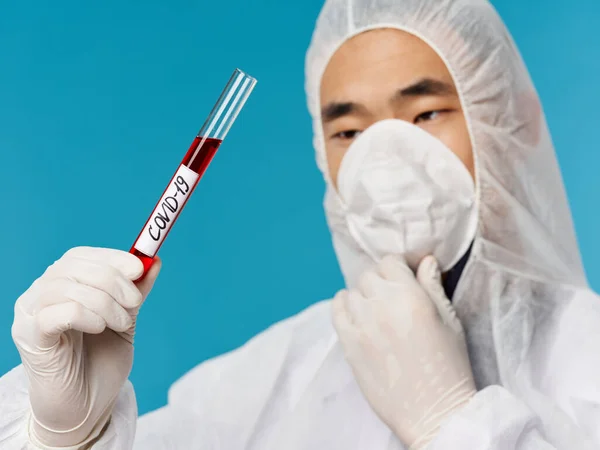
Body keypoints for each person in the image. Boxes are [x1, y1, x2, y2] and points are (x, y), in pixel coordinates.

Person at [2, 0, 600, 448]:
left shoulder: (586, 357)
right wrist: (66, 434)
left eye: (426, 112)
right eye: (350, 132)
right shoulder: (277, 378)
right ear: (323, 152)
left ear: (508, 121)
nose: (385, 159)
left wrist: (450, 421)